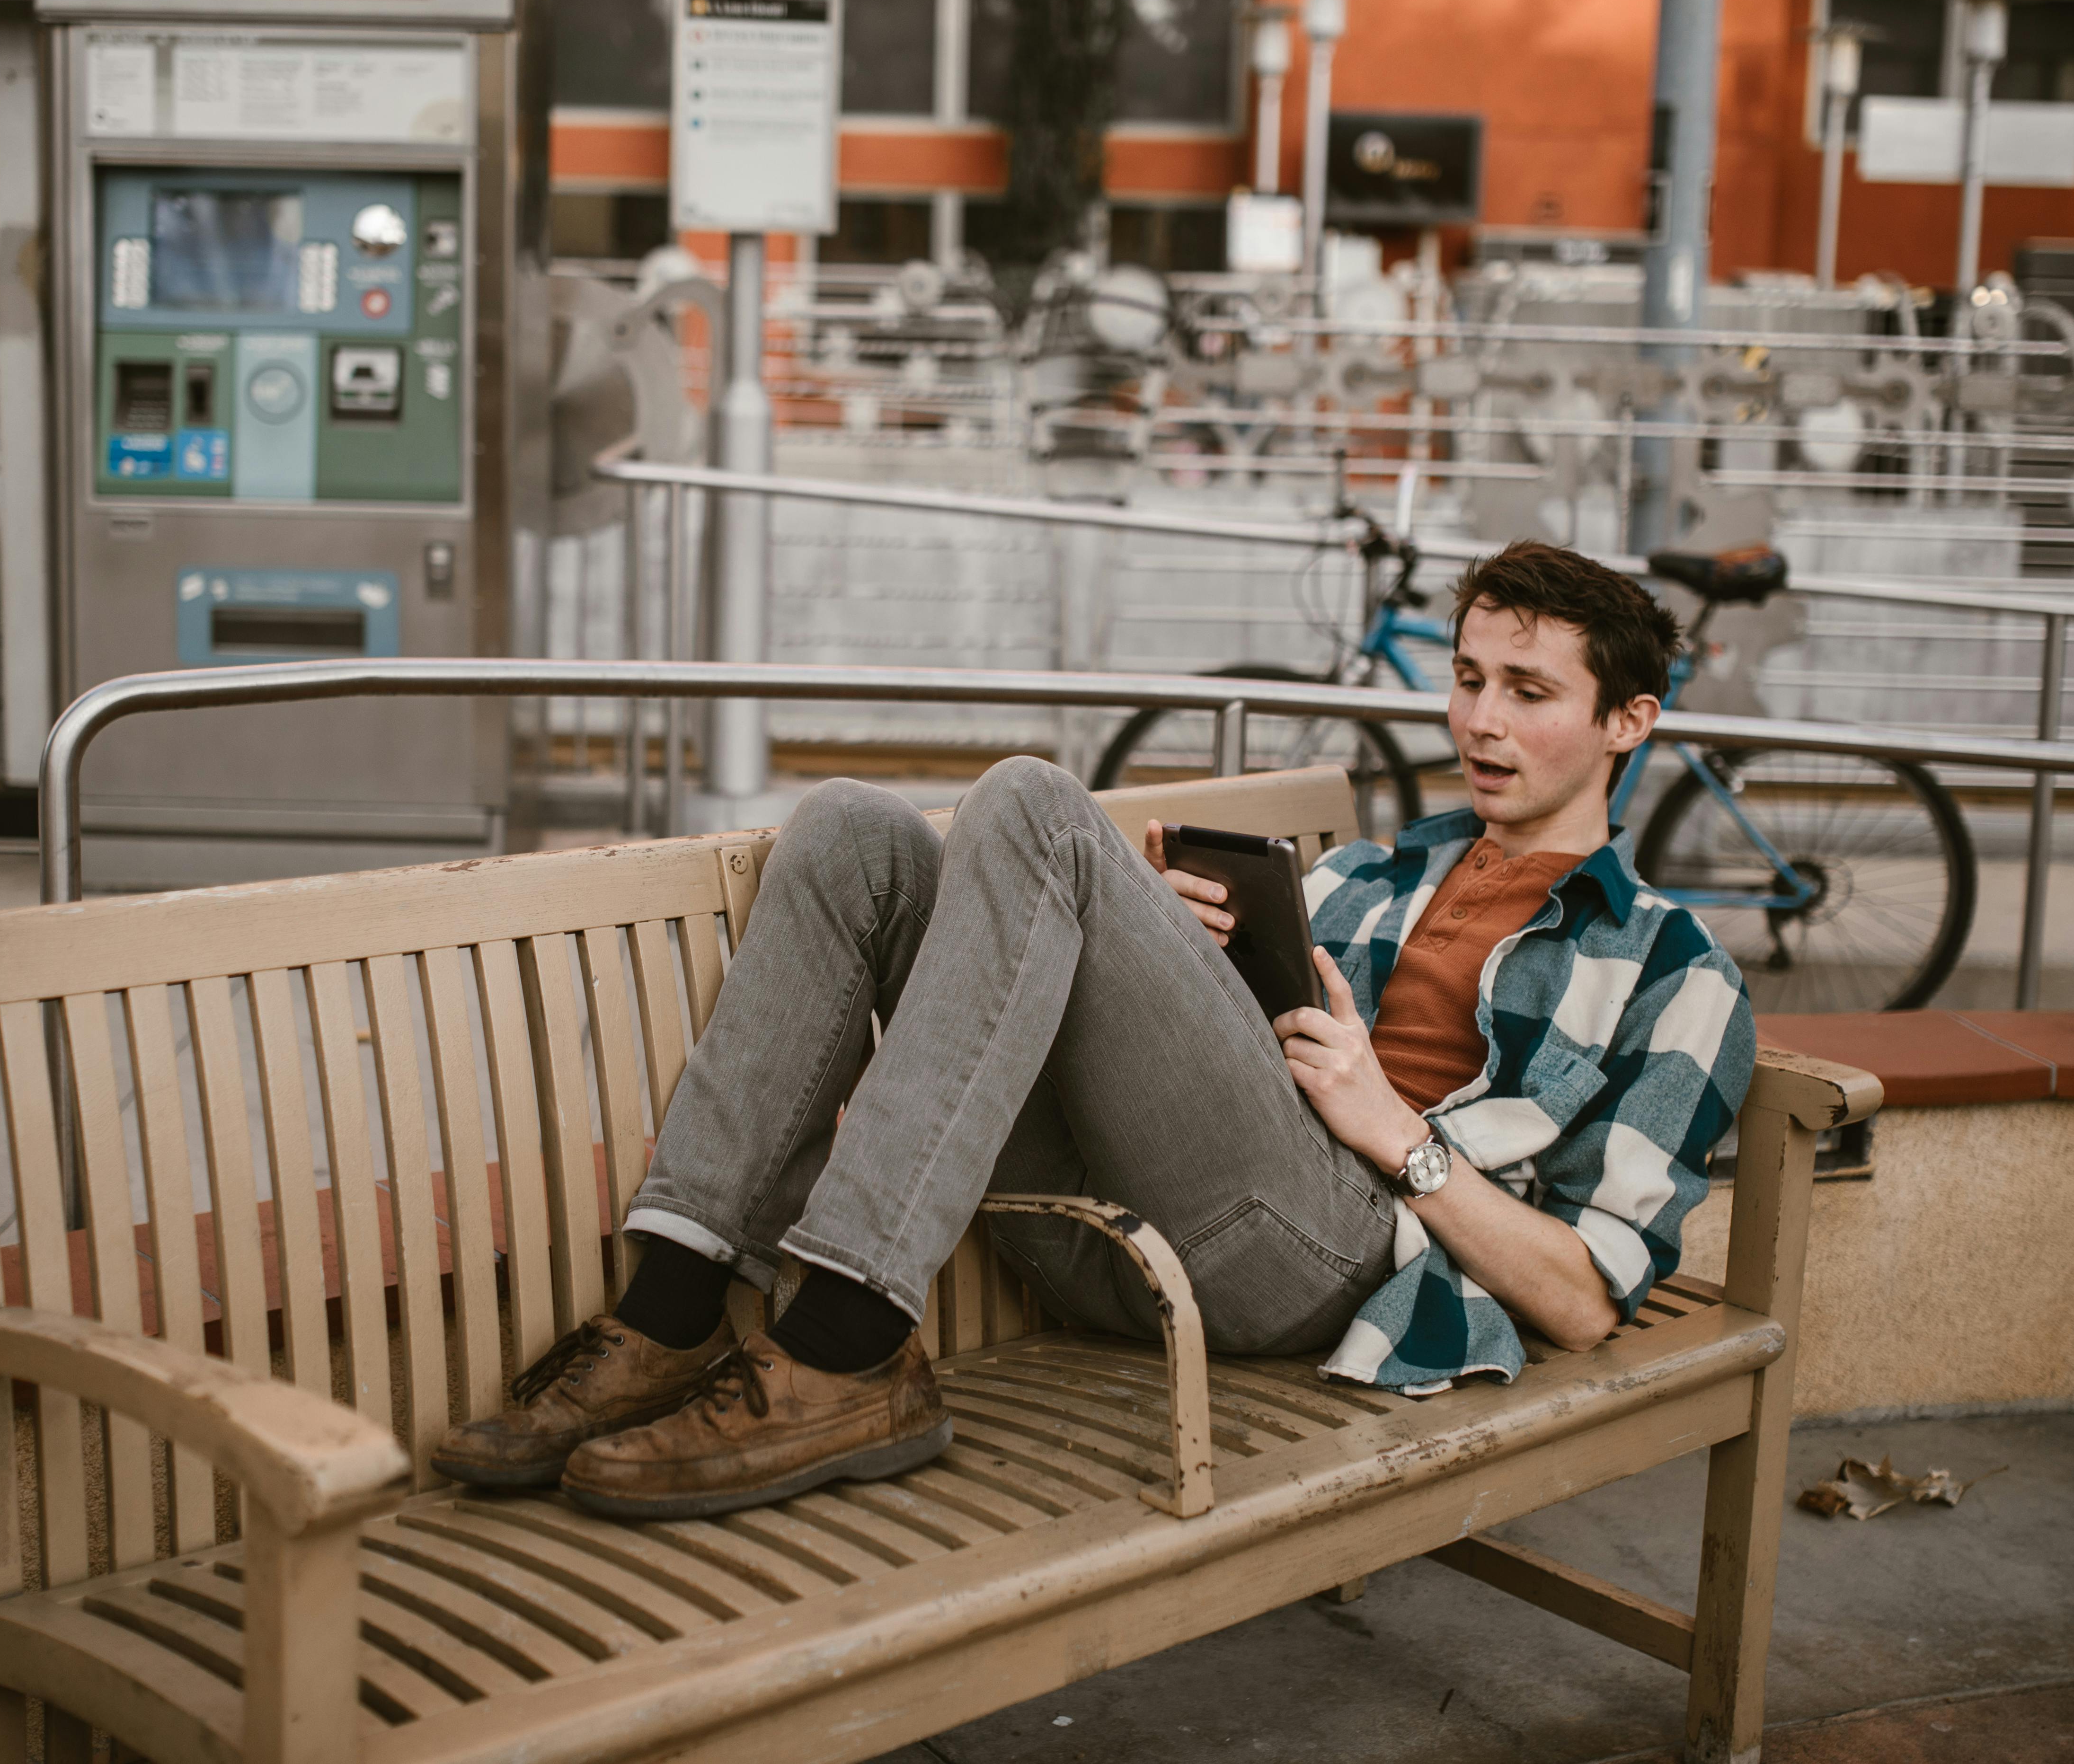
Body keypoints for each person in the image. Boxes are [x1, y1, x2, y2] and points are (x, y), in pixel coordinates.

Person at [431, 539, 1755, 1521]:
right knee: (853, 834)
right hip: (1114, 1230)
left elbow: (1584, 1301)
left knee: (1037, 808)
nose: (1478, 720)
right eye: (1469, 679)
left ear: (1630, 723)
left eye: (1529, 692)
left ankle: (843, 1349)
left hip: (1329, 1266)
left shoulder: (1676, 973)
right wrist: (1176, 960)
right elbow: (1221, 1077)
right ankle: (671, 1310)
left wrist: (1392, 1133)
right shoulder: (1362, 878)